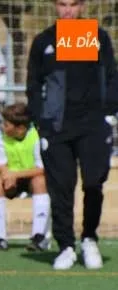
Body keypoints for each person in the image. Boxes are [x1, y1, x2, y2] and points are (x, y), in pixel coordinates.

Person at [27, 0, 118, 270]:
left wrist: (110, 112)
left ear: (82, 6)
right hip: (57, 128)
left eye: (73, 4)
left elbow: (112, 76)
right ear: (55, 6)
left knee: (93, 183)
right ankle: (66, 245)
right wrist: (41, 123)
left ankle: (89, 238)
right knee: (61, 188)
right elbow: (33, 85)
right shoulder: (44, 41)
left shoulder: (96, 36)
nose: (68, 10)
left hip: (93, 125)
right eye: (62, 4)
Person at [0, 103, 51, 251]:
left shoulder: (36, 135)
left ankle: (38, 237)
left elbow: (41, 168)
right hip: (10, 177)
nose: (3, 127)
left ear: (21, 128)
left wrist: (15, 174)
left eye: (6, 125)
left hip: (31, 176)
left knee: (40, 182)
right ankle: (0, 238)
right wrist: (7, 175)